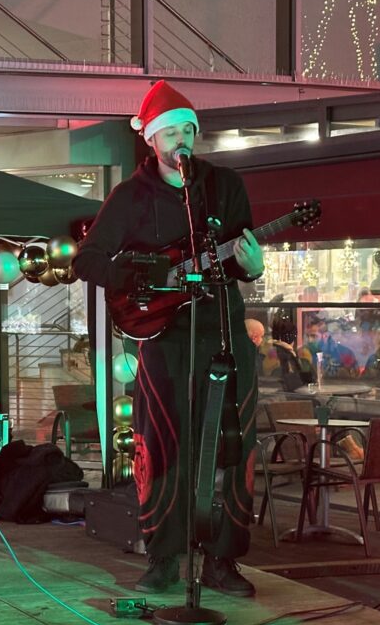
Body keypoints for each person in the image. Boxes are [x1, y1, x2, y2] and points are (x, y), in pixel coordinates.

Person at [72, 80, 264, 598]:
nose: (181, 139)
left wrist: (254, 265)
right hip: (165, 338)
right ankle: (164, 556)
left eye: (188, 130)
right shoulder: (130, 196)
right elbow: (86, 260)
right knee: (162, 446)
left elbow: (242, 257)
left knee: (233, 443)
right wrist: (143, 282)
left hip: (224, 330)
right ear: (151, 139)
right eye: (171, 131)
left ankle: (224, 560)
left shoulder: (224, 186)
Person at [298, 314, 358, 381]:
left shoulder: (345, 353)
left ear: (325, 336)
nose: (309, 340)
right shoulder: (304, 353)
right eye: (307, 336)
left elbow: (355, 379)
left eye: (313, 336)